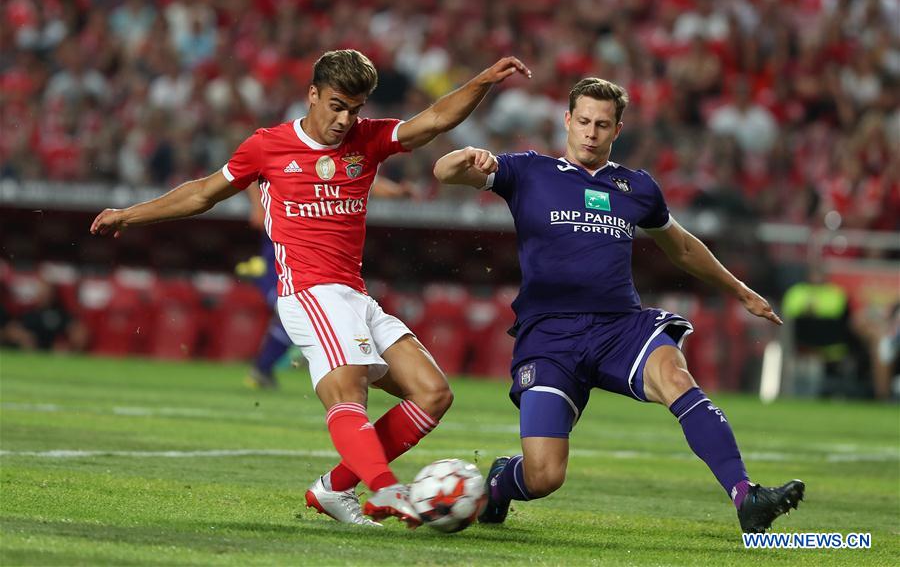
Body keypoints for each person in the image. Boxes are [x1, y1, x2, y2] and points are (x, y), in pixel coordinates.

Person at [91, 49, 531, 527]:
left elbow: (435, 120)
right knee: (350, 388)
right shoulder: (267, 146)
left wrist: (483, 79)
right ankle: (387, 490)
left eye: (355, 109)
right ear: (313, 95)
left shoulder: (369, 139)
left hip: (354, 295)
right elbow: (202, 193)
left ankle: (334, 489)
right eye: (337, 106)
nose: (345, 120)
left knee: (432, 394)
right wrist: (129, 214)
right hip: (307, 292)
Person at [433, 77, 804, 534]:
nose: (591, 132)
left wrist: (740, 289)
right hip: (550, 336)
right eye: (583, 121)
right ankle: (497, 484)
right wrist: (467, 157)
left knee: (675, 374)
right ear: (567, 121)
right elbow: (444, 173)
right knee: (545, 474)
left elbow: (682, 248)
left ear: (617, 130)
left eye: (602, 124)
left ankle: (746, 496)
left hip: (619, 329)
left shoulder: (636, 187)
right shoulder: (528, 171)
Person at [240, 177, 416, 390]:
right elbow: (250, 171)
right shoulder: (291, 157)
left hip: (313, 269)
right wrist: (257, 204)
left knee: (297, 316)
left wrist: (397, 191)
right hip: (279, 265)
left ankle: (267, 369)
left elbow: (364, 177)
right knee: (293, 313)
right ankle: (269, 368)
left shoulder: (329, 168)